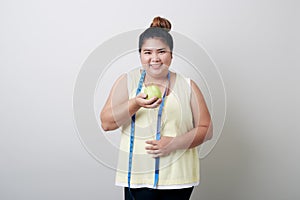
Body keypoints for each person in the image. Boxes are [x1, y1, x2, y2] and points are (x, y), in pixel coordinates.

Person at [100, 16, 213, 200]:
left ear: (171, 55)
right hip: (138, 178)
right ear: (140, 55)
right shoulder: (127, 82)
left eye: (161, 52)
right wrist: (134, 103)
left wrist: (174, 143)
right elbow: (106, 123)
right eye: (147, 52)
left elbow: (206, 129)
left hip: (179, 178)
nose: (154, 58)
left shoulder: (188, 85)